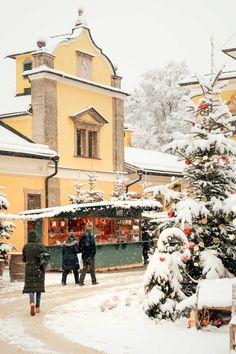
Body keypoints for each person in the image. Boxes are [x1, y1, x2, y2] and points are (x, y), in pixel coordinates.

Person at [22, 230, 46, 316]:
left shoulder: (26, 246)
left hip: (29, 269)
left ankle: (31, 303)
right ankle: (38, 307)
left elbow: (23, 259)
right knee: (38, 288)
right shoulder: (41, 246)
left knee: (31, 288)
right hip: (39, 269)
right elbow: (46, 256)